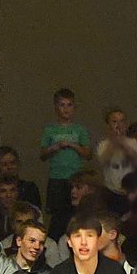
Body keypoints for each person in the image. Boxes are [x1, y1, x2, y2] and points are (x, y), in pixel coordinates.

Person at [40, 88, 92, 241]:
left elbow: (88, 154)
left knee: (77, 214)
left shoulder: (79, 129)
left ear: (74, 107)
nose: (66, 109)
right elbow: (42, 155)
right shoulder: (50, 129)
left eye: (69, 105)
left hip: (76, 180)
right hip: (57, 178)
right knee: (58, 217)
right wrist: (55, 147)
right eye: (62, 105)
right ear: (56, 107)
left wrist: (72, 145)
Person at [97, 107, 137, 214]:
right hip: (111, 191)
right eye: (114, 121)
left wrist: (123, 144)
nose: (118, 125)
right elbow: (103, 161)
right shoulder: (103, 145)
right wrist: (114, 142)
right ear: (108, 125)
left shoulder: (133, 142)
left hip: (130, 192)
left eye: (122, 121)